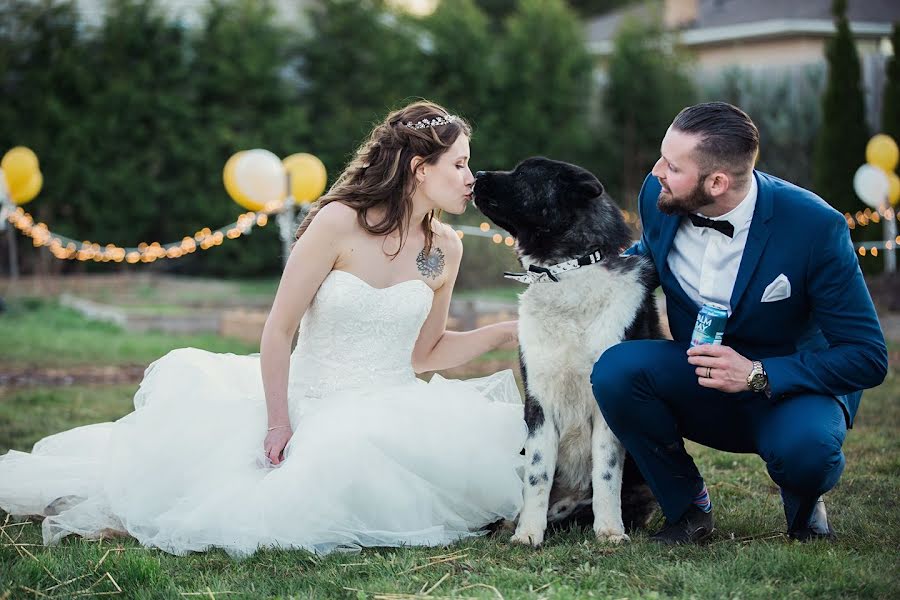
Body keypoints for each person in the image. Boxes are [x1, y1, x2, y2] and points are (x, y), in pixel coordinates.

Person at [0, 101, 526, 557]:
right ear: (418, 168)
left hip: (396, 402)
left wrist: (507, 330)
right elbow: (278, 330)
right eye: (459, 164)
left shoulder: (447, 248)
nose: (470, 178)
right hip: (312, 399)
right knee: (292, 481)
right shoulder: (338, 222)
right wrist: (278, 423)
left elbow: (425, 354)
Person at [591, 102, 888, 544]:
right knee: (616, 371)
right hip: (697, 376)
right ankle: (688, 506)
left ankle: (805, 497)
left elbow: (867, 357)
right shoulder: (661, 200)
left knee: (806, 454)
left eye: (672, 165)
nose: (656, 172)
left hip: (789, 389)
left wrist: (756, 373)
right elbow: (648, 260)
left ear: (717, 182)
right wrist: (587, 276)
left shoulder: (814, 227)